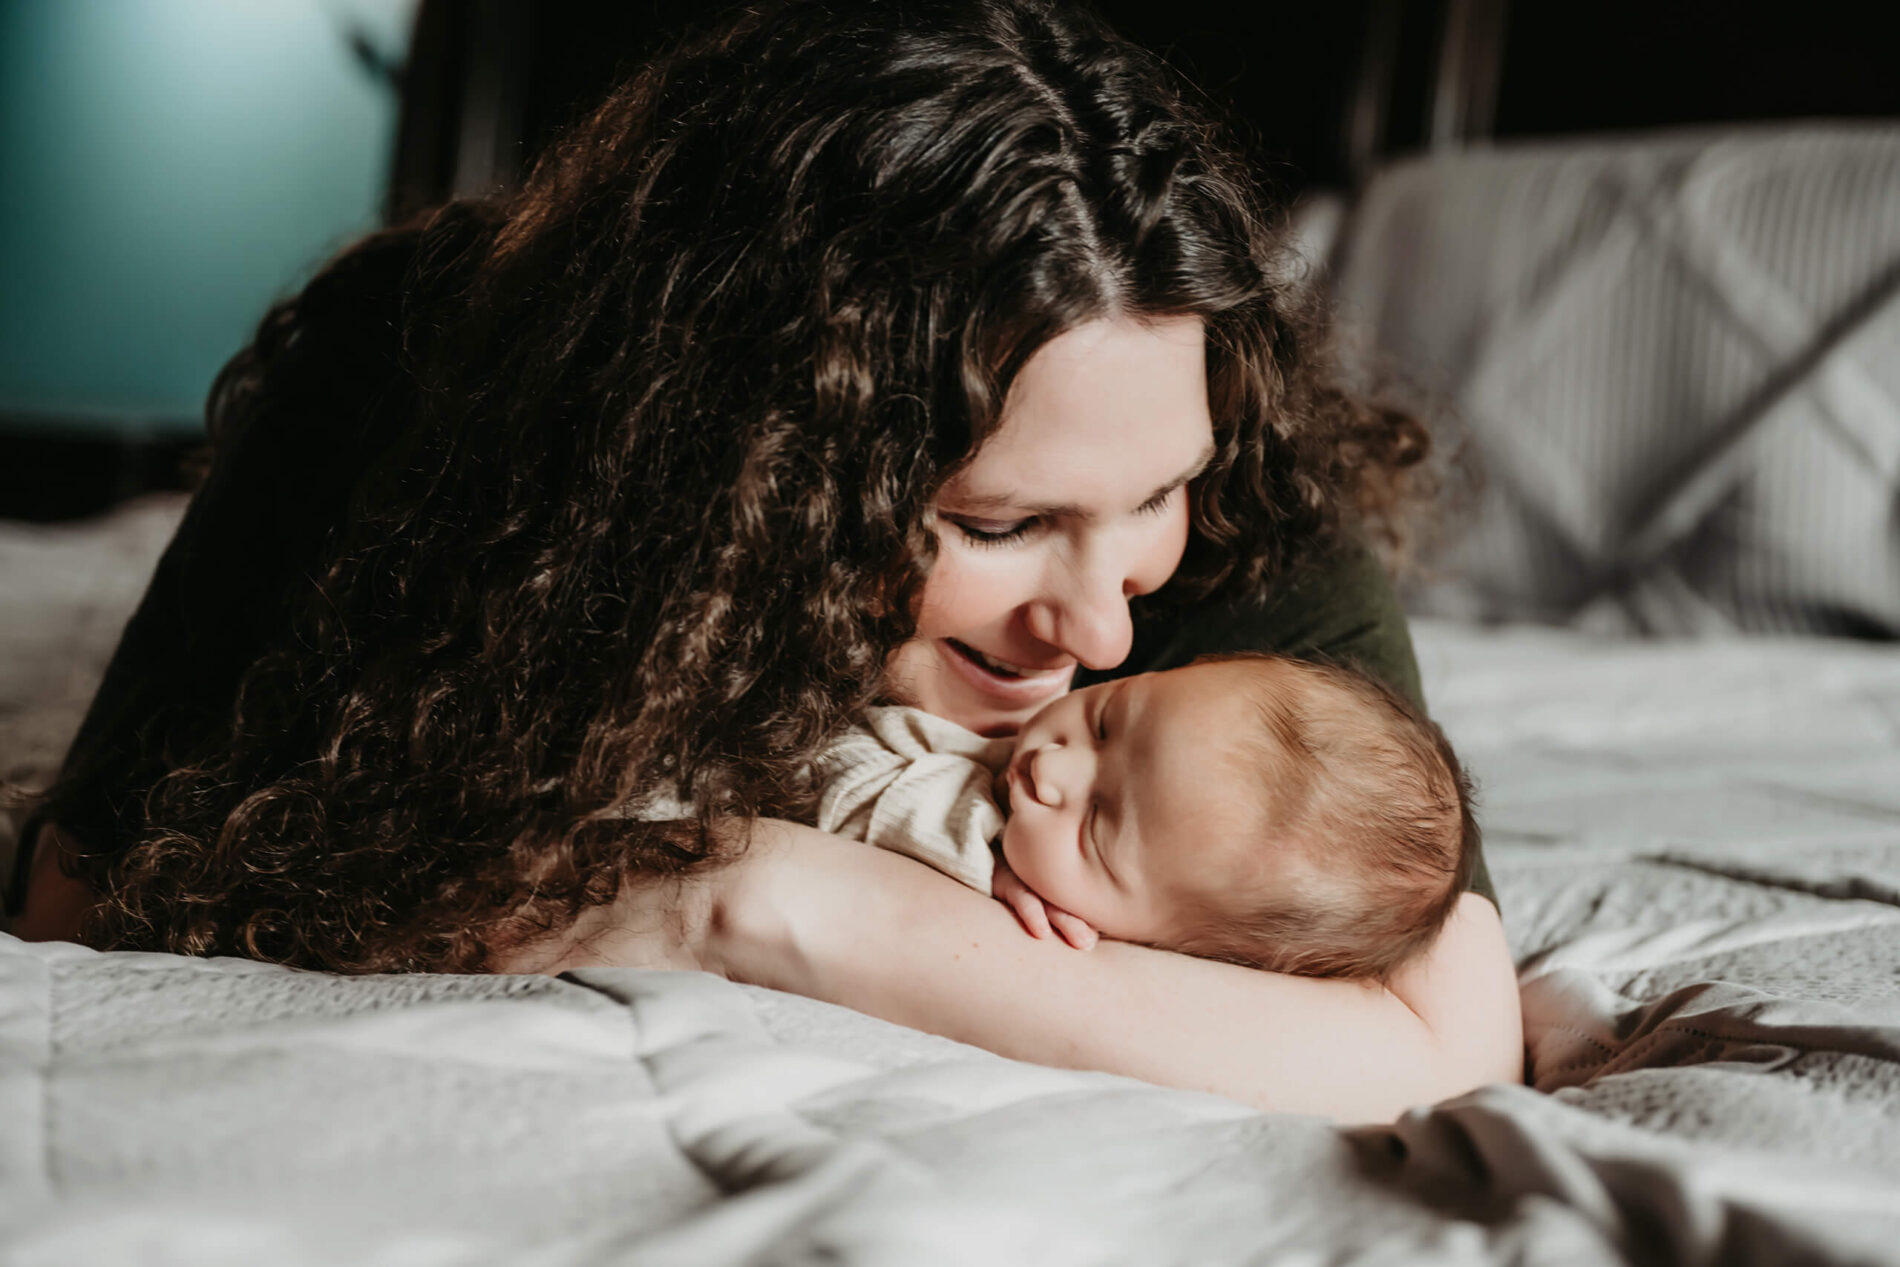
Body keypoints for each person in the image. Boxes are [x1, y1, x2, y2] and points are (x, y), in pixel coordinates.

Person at [9, 0, 1520, 1121]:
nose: (1102, 633)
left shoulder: (1230, 487)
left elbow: (1442, 1047)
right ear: (748, 470)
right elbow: (86, 895)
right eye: (996, 525)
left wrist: (744, 894)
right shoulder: (402, 366)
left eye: (1153, 497)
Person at [815, 654, 1477, 981]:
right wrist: (975, 847)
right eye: (1104, 722)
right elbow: (815, 766)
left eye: (1096, 823)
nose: (1051, 767)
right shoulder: (993, 753)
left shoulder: (1075, 963)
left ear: (1164, 947)